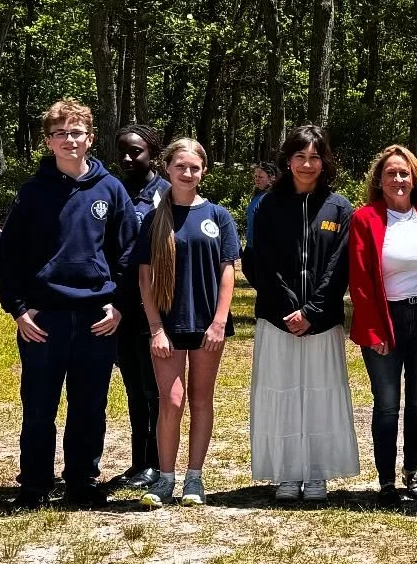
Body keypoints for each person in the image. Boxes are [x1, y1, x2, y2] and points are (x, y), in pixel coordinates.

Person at [0, 99, 137, 509]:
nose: (69, 140)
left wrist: (119, 305)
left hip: (97, 316)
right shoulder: (32, 192)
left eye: (76, 133)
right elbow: (9, 256)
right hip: (44, 318)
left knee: (89, 405)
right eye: (60, 133)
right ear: (48, 141)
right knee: (39, 406)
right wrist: (19, 308)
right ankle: (34, 485)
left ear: (90, 138)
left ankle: (82, 481)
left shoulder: (110, 189)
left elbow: (128, 254)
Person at [244, 124, 358, 501]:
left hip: (322, 321)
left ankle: (317, 472)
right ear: (288, 160)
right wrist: (289, 307)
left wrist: (312, 310)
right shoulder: (268, 205)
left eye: (315, 157)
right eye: (300, 156)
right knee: (283, 393)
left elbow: (339, 266)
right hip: (277, 319)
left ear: (325, 162)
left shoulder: (340, 207)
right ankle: (288, 473)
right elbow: (259, 262)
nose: (307, 164)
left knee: (320, 395)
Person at [133, 138, 240, 509]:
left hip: (208, 326)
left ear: (203, 171)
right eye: (180, 166)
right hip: (168, 326)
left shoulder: (218, 216)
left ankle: (195, 477)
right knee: (171, 401)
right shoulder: (154, 218)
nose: (187, 173)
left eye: (194, 167)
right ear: (167, 168)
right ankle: (165, 479)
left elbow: (228, 270)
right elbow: (144, 278)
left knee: (200, 399)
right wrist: (155, 329)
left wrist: (219, 321)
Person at [348, 145, 417, 508]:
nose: (398, 179)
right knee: (387, 403)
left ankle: (411, 471)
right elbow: (360, 281)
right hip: (384, 318)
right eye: (390, 173)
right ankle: (387, 480)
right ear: (380, 180)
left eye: (404, 173)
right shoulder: (364, 218)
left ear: (415, 178)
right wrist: (374, 330)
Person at [108, 123, 169, 490]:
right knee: (133, 387)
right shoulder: (112, 191)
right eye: (123, 152)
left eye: (136, 151)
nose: (128, 158)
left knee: (153, 389)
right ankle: (138, 462)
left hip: (154, 306)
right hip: (120, 305)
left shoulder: (165, 194)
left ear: (153, 154)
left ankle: (157, 463)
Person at [243, 160, 277, 269]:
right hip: (251, 247)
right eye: (255, 176)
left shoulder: (274, 198)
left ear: (271, 178)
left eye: (261, 177)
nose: (257, 179)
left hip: (265, 251)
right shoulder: (257, 195)